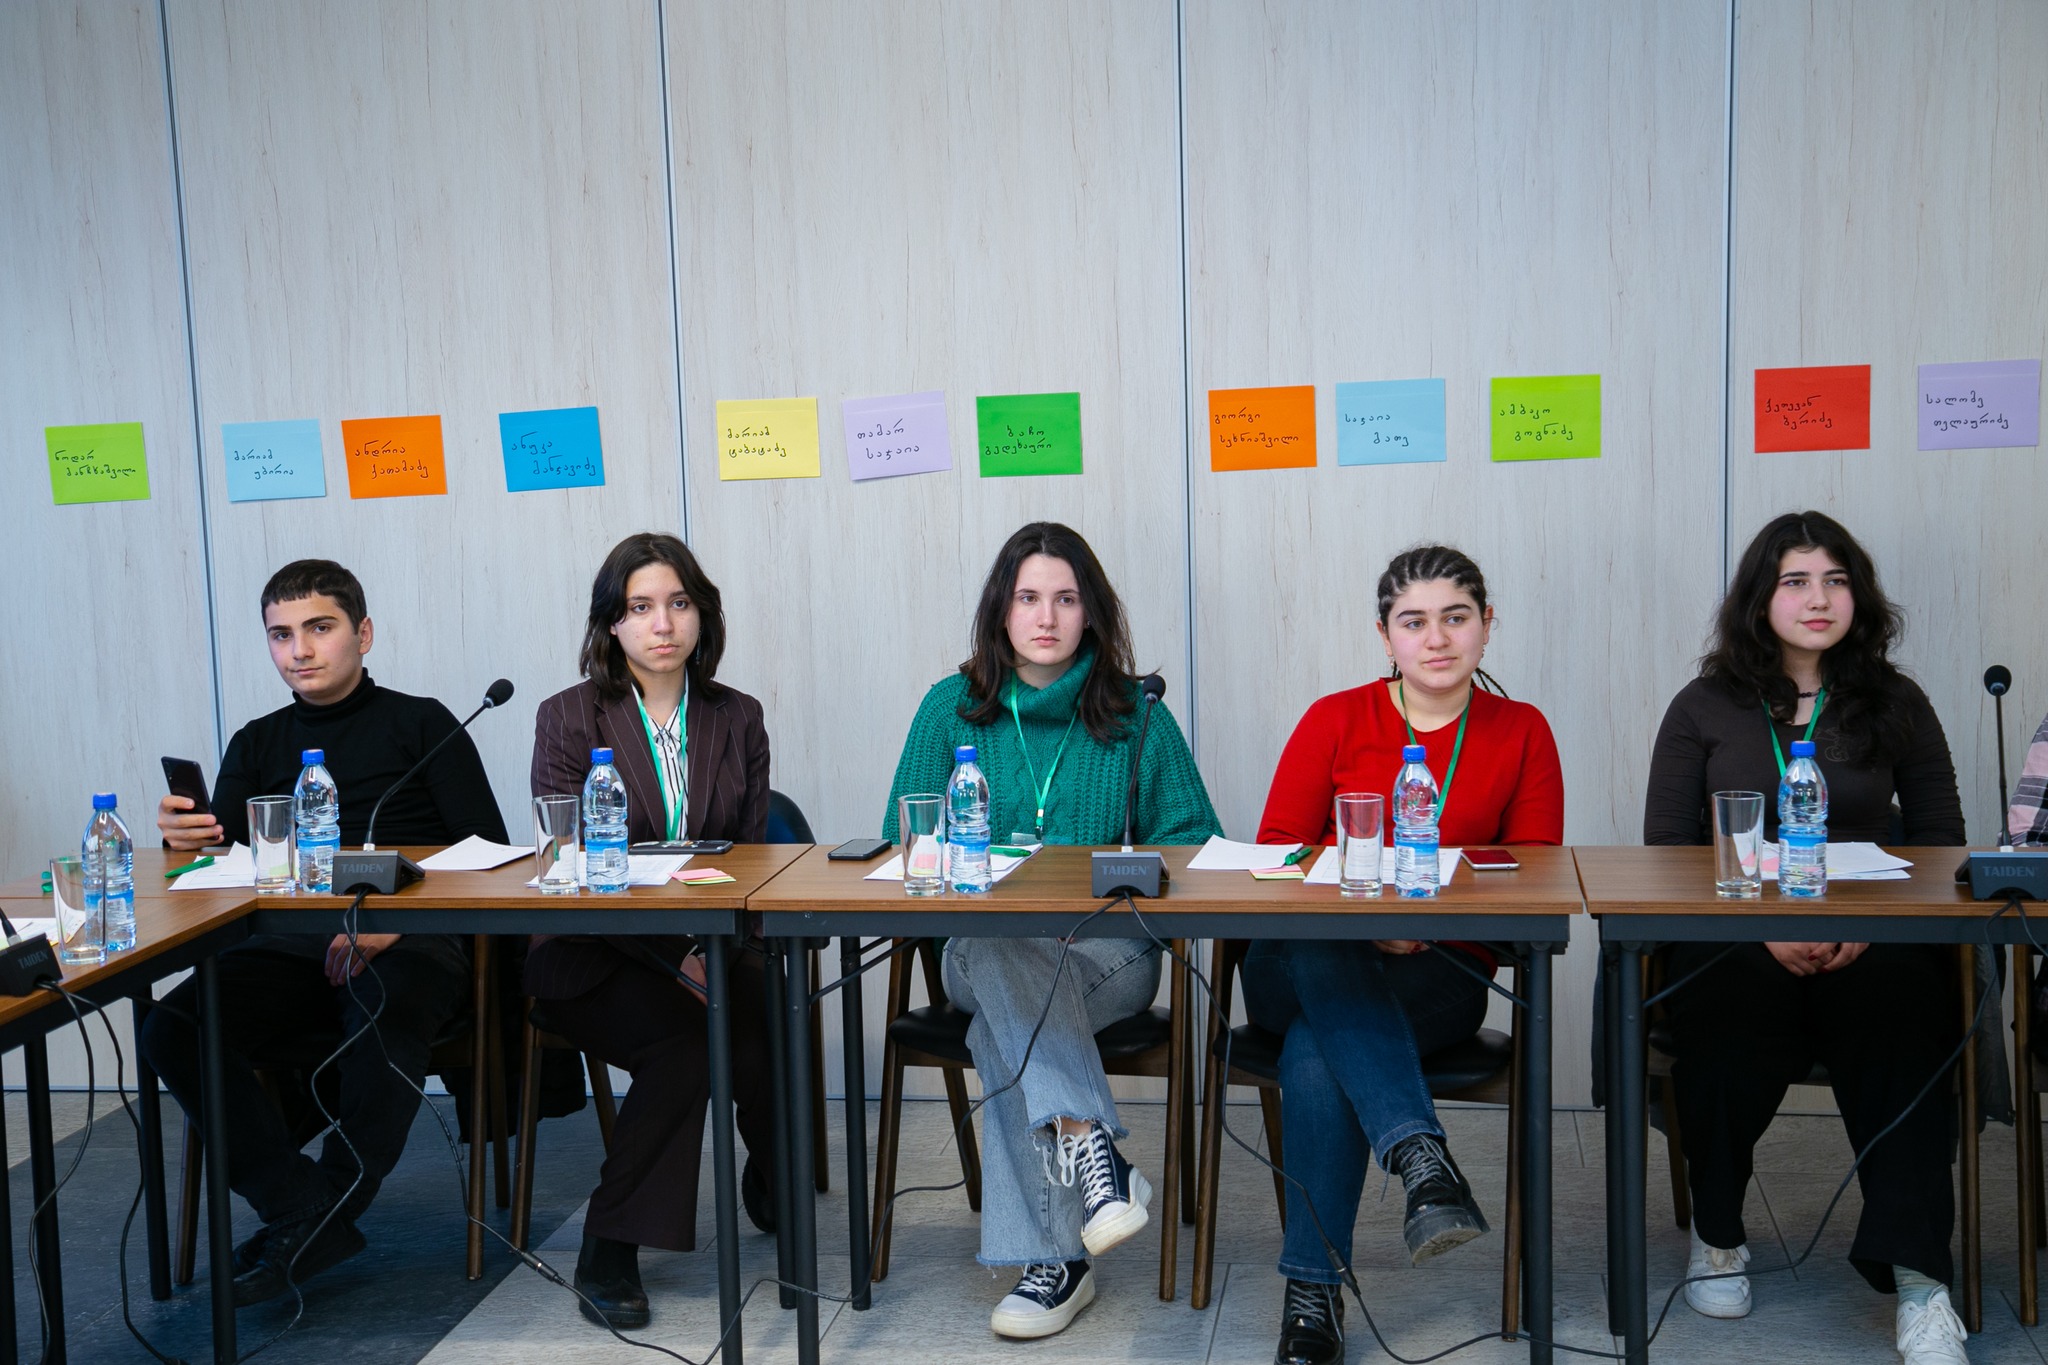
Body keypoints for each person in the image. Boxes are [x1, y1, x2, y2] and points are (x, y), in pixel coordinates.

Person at [879, 521, 1222, 1340]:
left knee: (1006, 1028)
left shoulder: (1138, 714)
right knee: (1005, 954)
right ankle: (1092, 1149)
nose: (1045, 616)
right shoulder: (948, 708)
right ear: (1000, 610)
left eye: (1066, 598)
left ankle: (1056, 1263)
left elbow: (1197, 843)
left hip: (1108, 954)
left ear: (1091, 612)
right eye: (1028, 597)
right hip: (982, 950)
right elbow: (904, 843)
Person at [1643, 511, 1967, 1365]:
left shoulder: (1896, 701)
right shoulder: (1704, 704)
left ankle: (1921, 1281)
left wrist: (1866, 925)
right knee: (1722, 1006)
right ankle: (1718, 1234)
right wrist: (1760, 930)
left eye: (1835, 580)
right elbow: (1667, 852)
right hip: (1739, 935)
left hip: (1872, 936)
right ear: (1761, 598)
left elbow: (1943, 845)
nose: (1818, 598)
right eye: (1796, 580)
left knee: (1904, 1013)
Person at [142, 559, 508, 1306]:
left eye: (319, 627)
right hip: (289, 944)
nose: (299, 650)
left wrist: (394, 924)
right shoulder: (256, 741)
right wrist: (184, 843)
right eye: (281, 634)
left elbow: (490, 856)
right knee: (171, 1025)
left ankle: (331, 1202)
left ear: (362, 633)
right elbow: (227, 867)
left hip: (412, 938)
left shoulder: (424, 723)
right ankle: (300, 1204)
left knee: (383, 1000)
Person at [1246, 544, 1563, 1365]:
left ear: (1487, 625)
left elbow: (1534, 875)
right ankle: (1418, 1150)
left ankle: (1312, 1296)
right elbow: (1279, 851)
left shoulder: (1521, 730)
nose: (1437, 637)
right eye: (1413, 621)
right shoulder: (1335, 717)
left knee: (1316, 1049)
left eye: (1456, 617)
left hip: (1437, 968)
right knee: (1327, 965)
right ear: (1385, 634)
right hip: (1302, 959)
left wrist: (1428, 911)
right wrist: (1364, 915)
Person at [526, 531, 777, 1331]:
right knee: (689, 1041)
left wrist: (706, 950)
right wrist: (678, 957)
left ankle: (774, 1172)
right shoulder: (569, 717)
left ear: (703, 614)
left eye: (678, 603)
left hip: (707, 940)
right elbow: (567, 862)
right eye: (640, 607)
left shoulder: (737, 716)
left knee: (771, 1006)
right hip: (592, 954)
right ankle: (608, 1246)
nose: (662, 624)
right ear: (612, 622)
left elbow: (747, 857)